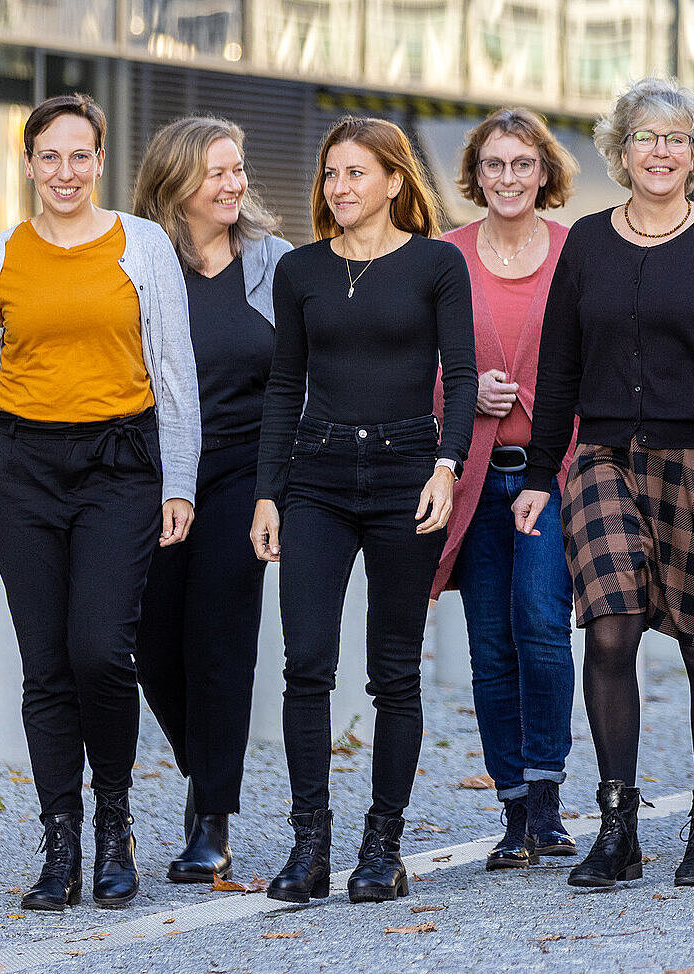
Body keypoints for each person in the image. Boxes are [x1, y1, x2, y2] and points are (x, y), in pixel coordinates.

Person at [0, 93, 200, 911]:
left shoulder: (141, 246)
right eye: (50, 156)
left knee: (98, 652)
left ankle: (114, 825)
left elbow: (174, 373)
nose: (66, 172)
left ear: (99, 161)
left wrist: (178, 480)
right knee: (45, 665)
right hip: (22, 470)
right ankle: (61, 842)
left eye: (80, 156)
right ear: (30, 163)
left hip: (120, 466)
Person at [517, 78, 694, 890]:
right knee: (609, 631)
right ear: (621, 149)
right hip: (600, 459)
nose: (660, 152)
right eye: (645, 137)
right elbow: (557, 369)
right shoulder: (586, 245)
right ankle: (618, 825)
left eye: (676, 139)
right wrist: (537, 475)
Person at [251, 117, 478, 905]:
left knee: (394, 670)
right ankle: (309, 840)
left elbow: (465, 375)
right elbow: (284, 386)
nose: (339, 188)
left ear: (393, 180)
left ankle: (383, 844)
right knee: (306, 663)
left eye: (355, 173)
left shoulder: (437, 265)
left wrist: (447, 468)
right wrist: (267, 493)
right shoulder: (301, 271)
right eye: (331, 175)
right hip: (314, 474)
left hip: (406, 473)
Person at [129, 115, 291, 884]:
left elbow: (299, 378)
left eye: (238, 169)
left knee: (220, 643)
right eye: (216, 172)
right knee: (152, 644)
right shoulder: (139, 263)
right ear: (175, 183)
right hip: (156, 478)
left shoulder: (272, 261)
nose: (233, 185)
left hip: (242, 475)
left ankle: (212, 819)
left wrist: (276, 489)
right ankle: (206, 769)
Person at [430, 108, 581, 871]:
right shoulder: (446, 257)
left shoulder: (576, 251)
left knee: (540, 626)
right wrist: (462, 393)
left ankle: (550, 800)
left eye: (523, 163)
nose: (509, 177)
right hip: (477, 477)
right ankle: (514, 809)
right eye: (495, 164)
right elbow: (420, 359)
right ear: (477, 174)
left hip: (552, 476)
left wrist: (557, 465)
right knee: (490, 643)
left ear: (544, 172)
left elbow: (598, 359)